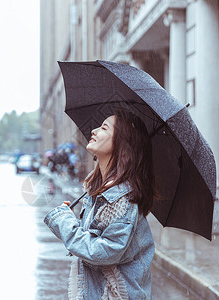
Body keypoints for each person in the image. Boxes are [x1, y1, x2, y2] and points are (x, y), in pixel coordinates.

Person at [44, 109, 156, 299]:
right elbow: (94, 238)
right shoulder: (99, 190)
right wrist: (70, 218)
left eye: (104, 128)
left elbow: (104, 252)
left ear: (122, 144)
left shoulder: (121, 198)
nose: (94, 131)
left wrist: (64, 223)